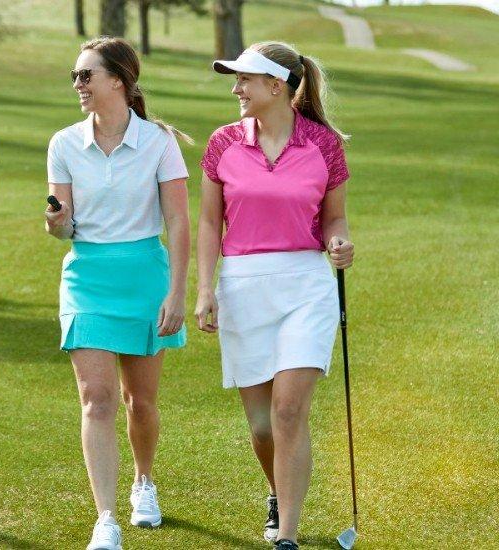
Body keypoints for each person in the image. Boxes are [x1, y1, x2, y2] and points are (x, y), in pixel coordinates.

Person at [194, 42, 354, 550]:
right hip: (243, 285)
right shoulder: (222, 143)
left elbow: (334, 218)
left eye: (244, 79)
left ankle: (288, 535)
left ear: (276, 85)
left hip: (305, 285)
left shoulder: (324, 144)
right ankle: (276, 493)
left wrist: (339, 242)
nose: (236, 89)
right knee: (263, 427)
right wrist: (204, 288)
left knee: (288, 412)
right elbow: (208, 222)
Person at [44, 37, 192, 550]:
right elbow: (63, 227)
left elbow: (178, 221)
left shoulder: (159, 142)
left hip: (145, 278)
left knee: (140, 402)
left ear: (118, 81)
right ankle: (106, 519)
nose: (78, 84)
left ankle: (143, 480)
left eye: (86, 75)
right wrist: (57, 224)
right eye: (75, 76)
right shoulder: (63, 143)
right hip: (87, 278)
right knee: (97, 399)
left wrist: (178, 292)